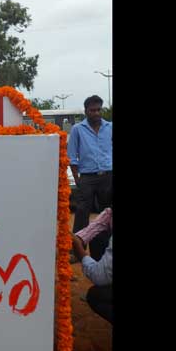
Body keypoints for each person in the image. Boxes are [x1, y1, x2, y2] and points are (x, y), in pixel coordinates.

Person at [67, 95, 112, 261]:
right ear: (86, 111)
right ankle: (77, 251)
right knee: (81, 213)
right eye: (92, 110)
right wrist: (78, 180)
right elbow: (72, 156)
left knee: (107, 214)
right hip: (86, 178)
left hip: (108, 176)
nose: (96, 113)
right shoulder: (77, 129)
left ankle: (107, 249)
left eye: (99, 109)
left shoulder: (110, 127)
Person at [72, 207, 112, 324]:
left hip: (102, 275)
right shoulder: (109, 213)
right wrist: (78, 238)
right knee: (97, 237)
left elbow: (99, 276)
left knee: (96, 296)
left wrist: (79, 249)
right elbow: (101, 221)